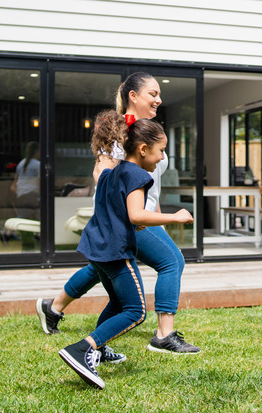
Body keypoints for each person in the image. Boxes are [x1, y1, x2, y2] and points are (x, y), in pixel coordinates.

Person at [37, 72, 201, 359]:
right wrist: (128, 216)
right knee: (171, 261)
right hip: (127, 218)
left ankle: (53, 307)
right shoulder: (118, 133)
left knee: (103, 268)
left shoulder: (147, 132)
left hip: (141, 215)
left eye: (159, 94)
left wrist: (159, 216)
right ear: (133, 96)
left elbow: (153, 186)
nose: (159, 99)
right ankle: (164, 335)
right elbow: (102, 174)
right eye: (153, 94)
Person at [59, 111, 192, 389]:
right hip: (115, 251)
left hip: (96, 247)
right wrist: (174, 216)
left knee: (119, 303)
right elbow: (136, 215)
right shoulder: (137, 176)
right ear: (143, 149)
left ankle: (98, 349)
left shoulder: (113, 170)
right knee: (136, 311)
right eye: (160, 151)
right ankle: (83, 348)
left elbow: (115, 208)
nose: (160, 158)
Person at [10, 141, 40, 219]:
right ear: (37, 151)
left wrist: (20, 193)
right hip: (32, 196)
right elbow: (39, 183)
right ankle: (9, 229)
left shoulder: (20, 164)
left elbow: (13, 186)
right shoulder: (38, 165)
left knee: (28, 215)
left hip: (21, 196)